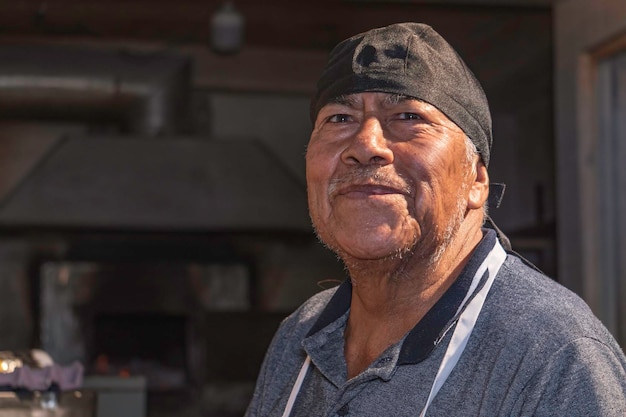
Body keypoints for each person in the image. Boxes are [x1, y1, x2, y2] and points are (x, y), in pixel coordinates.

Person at [245, 22, 626, 417]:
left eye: (408, 116)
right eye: (340, 118)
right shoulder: (300, 333)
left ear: (476, 180)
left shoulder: (550, 354)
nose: (365, 145)